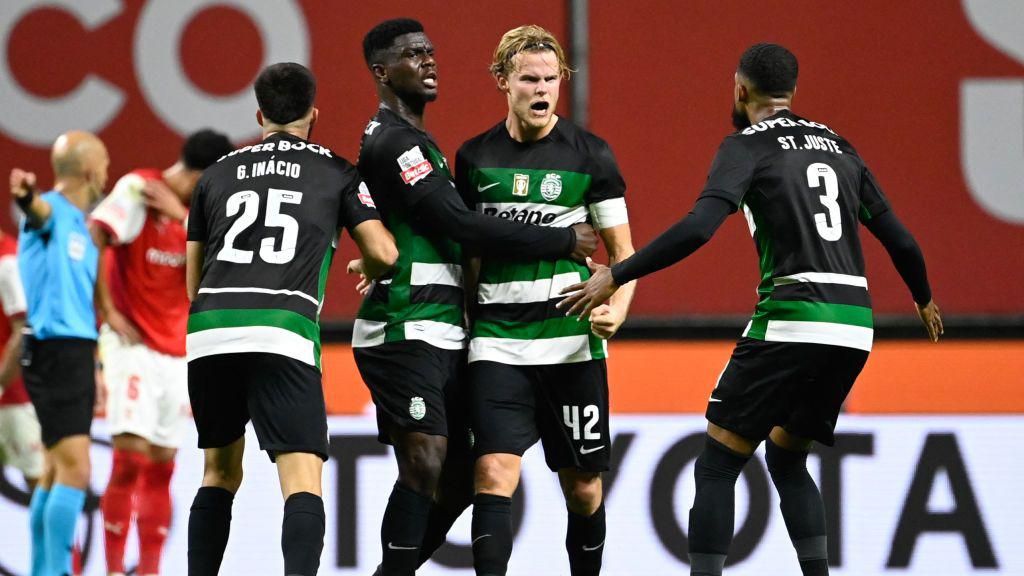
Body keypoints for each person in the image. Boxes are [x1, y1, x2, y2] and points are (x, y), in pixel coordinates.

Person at [558, 43, 943, 576]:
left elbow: (698, 228)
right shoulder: (839, 146)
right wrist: (923, 298)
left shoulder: (746, 146)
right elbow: (899, 239)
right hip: (855, 327)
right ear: (792, 91)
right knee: (786, 458)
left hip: (793, 316)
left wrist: (616, 274)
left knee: (717, 463)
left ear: (740, 89)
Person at [355, 19, 599, 576]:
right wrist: (561, 238)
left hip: (442, 327)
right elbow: (460, 224)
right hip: (405, 325)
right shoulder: (396, 141)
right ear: (381, 71)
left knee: (462, 472)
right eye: (413, 55)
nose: (428, 61)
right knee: (426, 458)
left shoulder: (417, 141)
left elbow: (417, 227)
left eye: (430, 51)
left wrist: (372, 253)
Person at [185, 62, 397, 576]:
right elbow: (385, 253)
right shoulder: (337, 170)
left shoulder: (215, 174)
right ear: (314, 114)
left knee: (217, 472)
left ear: (259, 114)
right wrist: (366, 264)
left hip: (210, 330)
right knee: (301, 478)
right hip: (283, 327)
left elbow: (193, 282)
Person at [458, 25, 636, 576]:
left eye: (551, 79)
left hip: (570, 349)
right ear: (502, 83)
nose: (542, 89)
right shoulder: (474, 158)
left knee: (583, 488)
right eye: (529, 79)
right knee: (492, 473)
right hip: (498, 345)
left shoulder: (592, 157)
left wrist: (617, 311)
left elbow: (624, 255)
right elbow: (468, 262)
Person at [89, 129, 233, 576]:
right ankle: (114, 570)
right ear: (201, 174)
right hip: (133, 346)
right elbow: (98, 231)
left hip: (178, 352)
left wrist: (183, 217)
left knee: (162, 466)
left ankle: (149, 570)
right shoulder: (139, 188)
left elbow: (225, 266)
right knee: (129, 457)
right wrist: (106, 309)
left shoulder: (196, 214)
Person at [10, 130, 110, 576]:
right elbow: (37, 211)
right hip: (58, 351)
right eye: (105, 165)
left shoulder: (80, 224)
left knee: (54, 471)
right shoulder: (52, 213)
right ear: (91, 171)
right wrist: (28, 198)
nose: (108, 174)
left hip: (70, 352)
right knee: (75, 471)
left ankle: (42, 571)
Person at [0, 226, 43, 492]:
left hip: (15, 395)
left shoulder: (8, 262)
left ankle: (57, 536)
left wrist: (2, 382)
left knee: (40, 480)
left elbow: (24, 329)